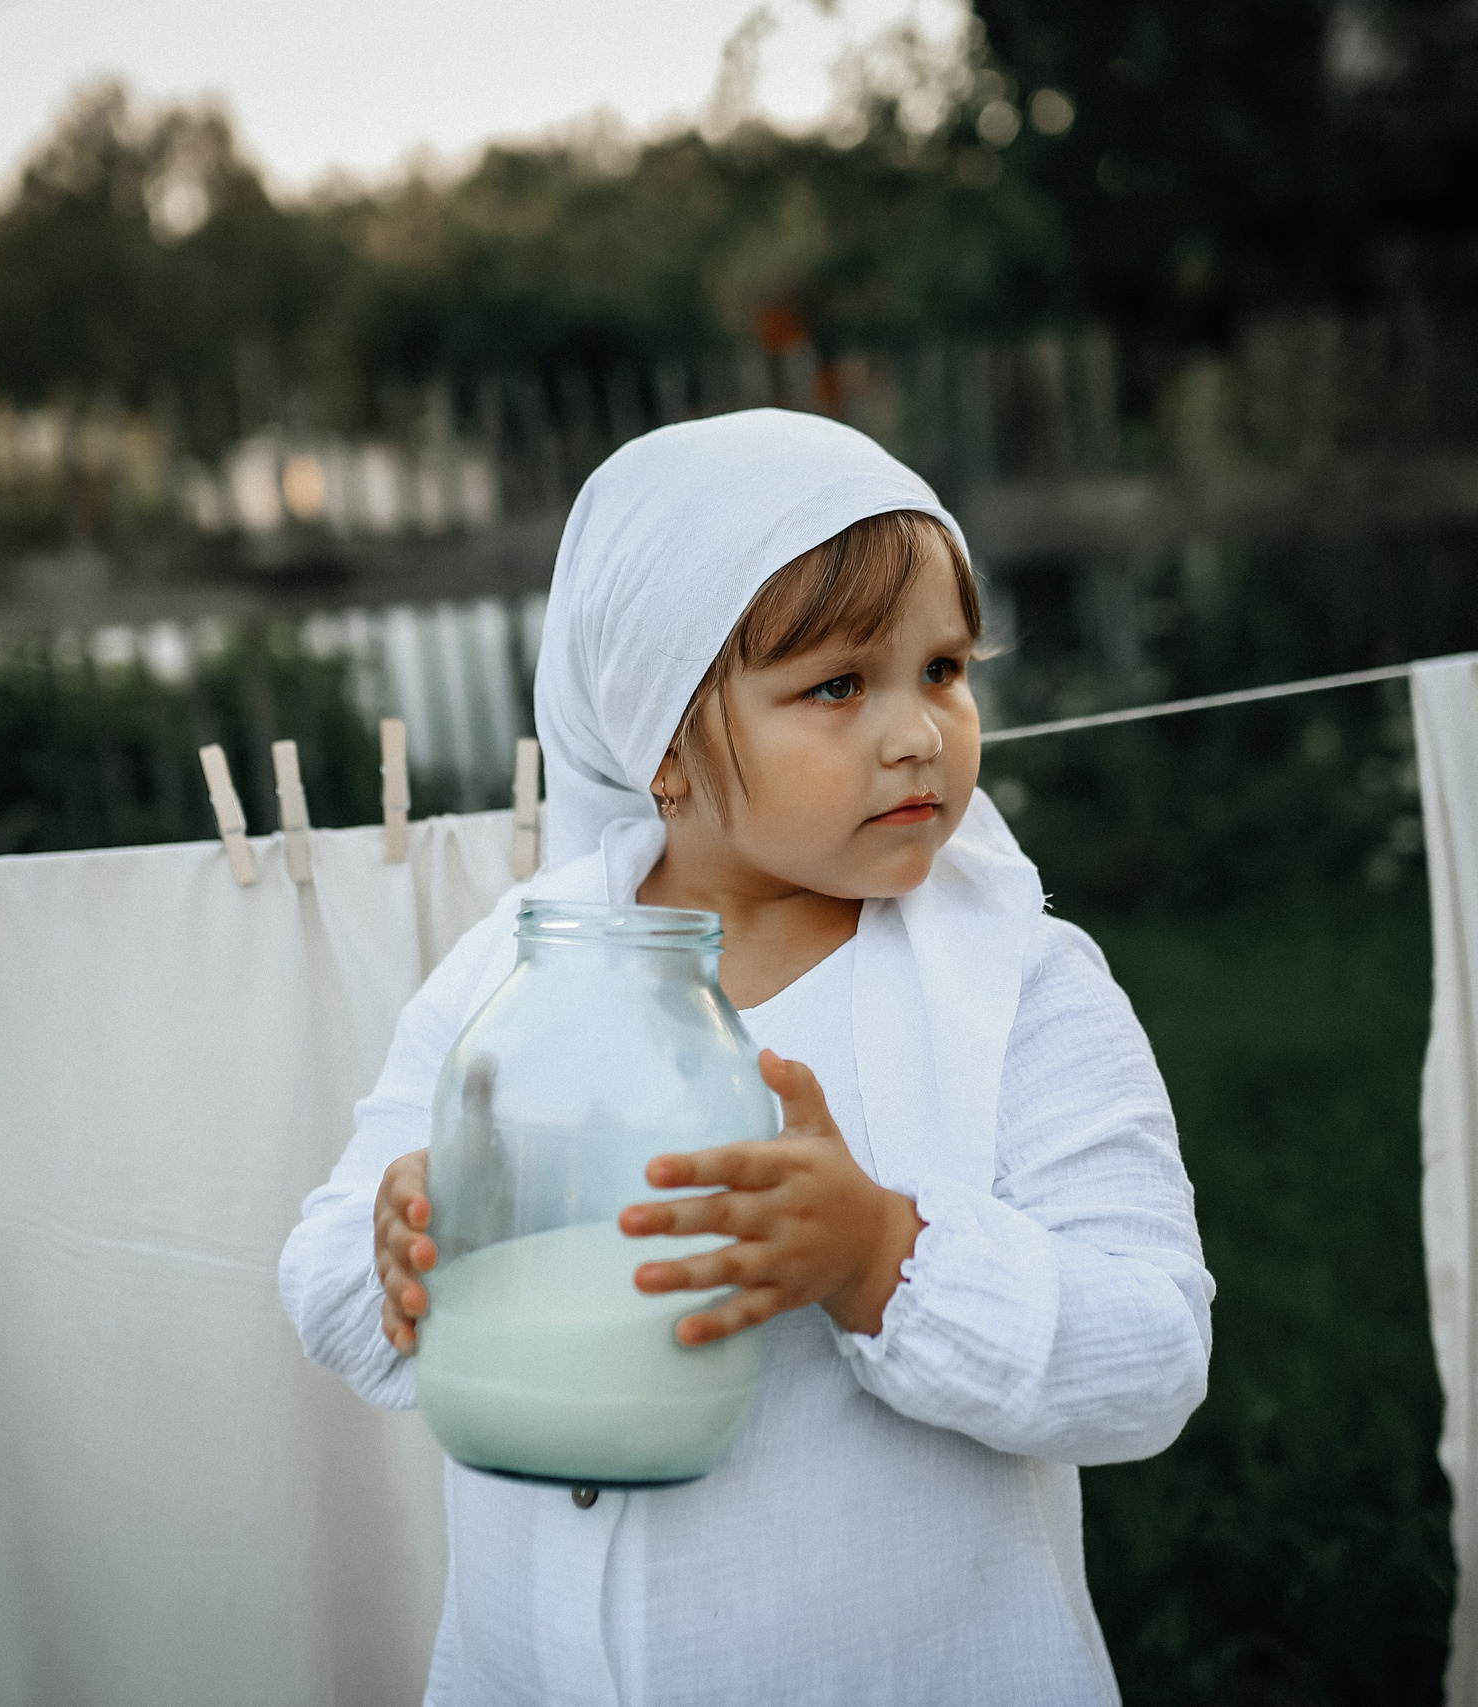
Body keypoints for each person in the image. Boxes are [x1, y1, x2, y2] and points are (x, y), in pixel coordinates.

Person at [280, 409, 1212, 1707]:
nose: (918, 733)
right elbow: (330, 1279)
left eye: (943, 668)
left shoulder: (1020, 987)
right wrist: (402, 1251)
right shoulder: (513, 977)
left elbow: (1153, 1359)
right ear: (662, 740)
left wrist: (882, 1259)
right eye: (839, 686)